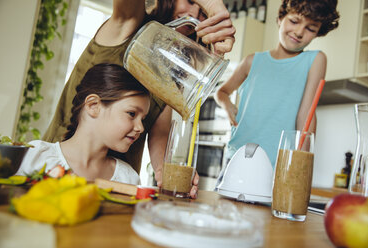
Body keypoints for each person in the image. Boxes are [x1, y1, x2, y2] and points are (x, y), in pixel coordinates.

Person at [42, 0, 235, 191]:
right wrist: (211, 4)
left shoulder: (176, 70)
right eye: (191, 1)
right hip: (59, 172)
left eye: (203, 13)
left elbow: (159, 133)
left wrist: (164, 171)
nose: (194, 13)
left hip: (117, 186)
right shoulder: (128, 25)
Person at [215, 0, 339, 167]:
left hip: (278, 162)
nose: (299, 32)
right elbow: (221, 92)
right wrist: (228, 105)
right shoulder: (252, 61)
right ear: (281, 18)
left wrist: (301, 163)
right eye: (294, 21)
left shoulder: (316, 60)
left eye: (310, 28)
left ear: (318, 33)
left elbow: (306, 115)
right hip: (238, 154)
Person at [17, 64, 150, 185]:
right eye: (132, 114)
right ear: (93, 105)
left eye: (142, 119)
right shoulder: (34, 157)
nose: (140, 128)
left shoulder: (128, 179)